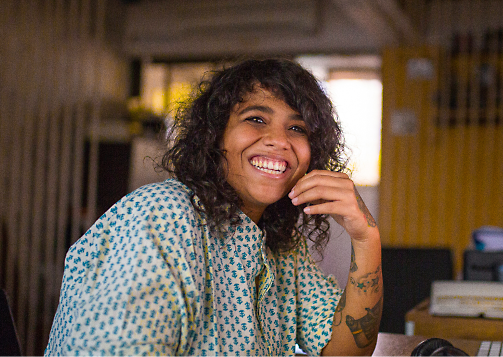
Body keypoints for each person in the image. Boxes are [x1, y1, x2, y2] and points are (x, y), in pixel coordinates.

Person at [45, 58, 382, 357]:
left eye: (297, 128)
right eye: (256, 119)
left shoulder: (279, 242)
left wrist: (366, 238)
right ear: (214, 136)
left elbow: (343, 351)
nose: (280, 140)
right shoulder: (162, 217)